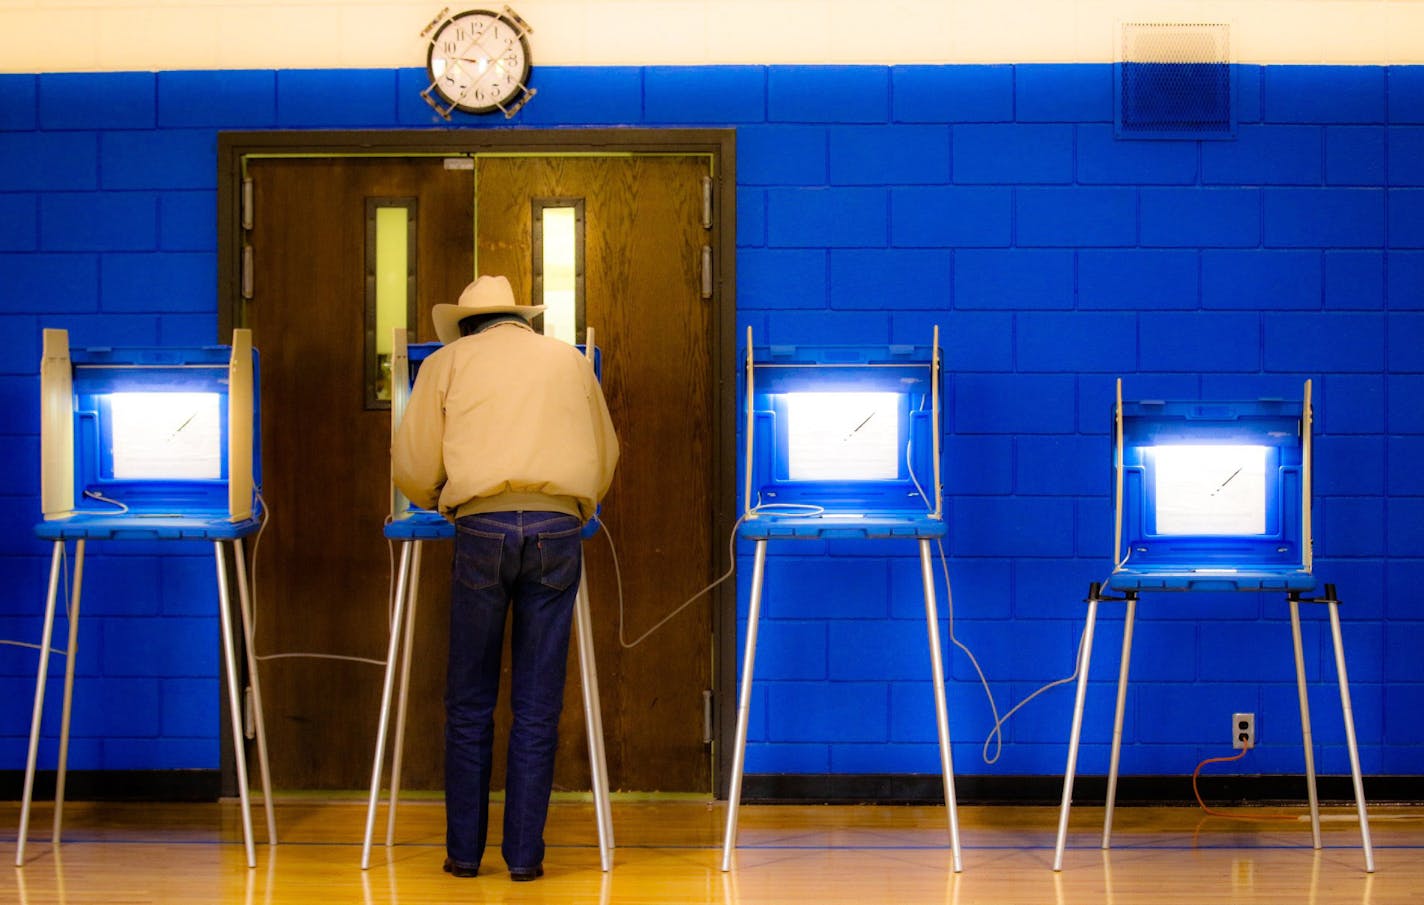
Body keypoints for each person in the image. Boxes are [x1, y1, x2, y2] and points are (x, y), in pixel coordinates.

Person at [392, 274, 619, 882]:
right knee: (537, 707)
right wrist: (579, 506)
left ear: (465, 324)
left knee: (469, 703)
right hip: (557, 529)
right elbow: (606, 453)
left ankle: (464, 858)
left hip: (482, 529)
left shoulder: (446, 362)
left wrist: (442, 498)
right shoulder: (570, 360)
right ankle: (525, 861)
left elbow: (412, 462)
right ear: (522, 318)